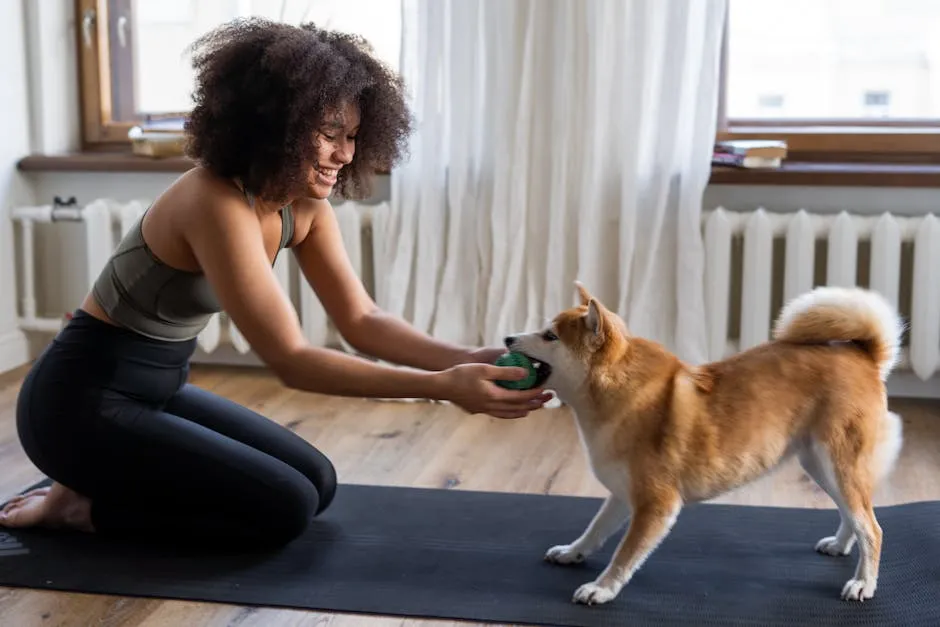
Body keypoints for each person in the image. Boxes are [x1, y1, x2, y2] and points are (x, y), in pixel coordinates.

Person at [0, 19, 551, 548]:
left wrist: (460, 358)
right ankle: (79, 507)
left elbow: (362, 321)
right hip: (77, 405)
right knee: (282, 507)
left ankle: (100, 478)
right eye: (330, 134)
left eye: (354, 136)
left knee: (318, 482)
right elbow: (290, 358)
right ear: (277, 125)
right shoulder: (212, 201)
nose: (345, 154)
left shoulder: (304, 206)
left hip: (157, 391)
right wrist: (444, 388)